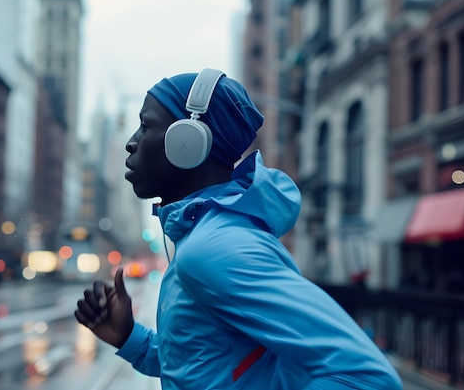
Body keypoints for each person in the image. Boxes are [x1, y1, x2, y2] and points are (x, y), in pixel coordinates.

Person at [75, 69, 403, 390]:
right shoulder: (201, 238)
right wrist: (129, 337)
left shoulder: (214, 249)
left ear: (186, 142)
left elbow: (367, 377)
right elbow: (202, 364)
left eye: (146, 126)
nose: (132, 143)